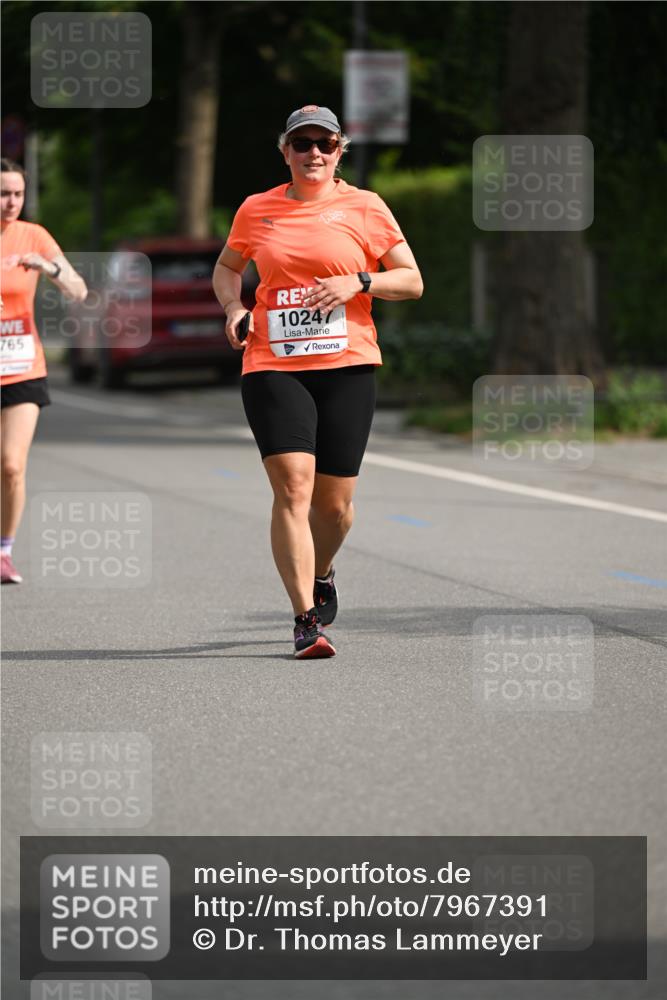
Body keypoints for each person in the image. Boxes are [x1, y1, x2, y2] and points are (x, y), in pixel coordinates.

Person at [213, 106, 423, 659]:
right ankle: (306, 618)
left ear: (340, 151)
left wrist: (357, 281)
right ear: (284, 151)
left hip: (348, 364)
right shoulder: (257, 210)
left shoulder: (366, 207)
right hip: (273, 363)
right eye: (301, 144)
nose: (313, 154)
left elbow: (411, 280)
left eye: (324, 145)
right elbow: (227, 268)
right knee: (292, 489)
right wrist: (234, 306)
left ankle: (323, 570)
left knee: (334, 508)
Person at [1, 158, 87, 584]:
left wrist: (47, 267)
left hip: (20, 365)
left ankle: (4, 550)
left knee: (12, 465)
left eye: (16, 193)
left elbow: (78, 288)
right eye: (3, 193)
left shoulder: (33, 235)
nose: (10, 202)